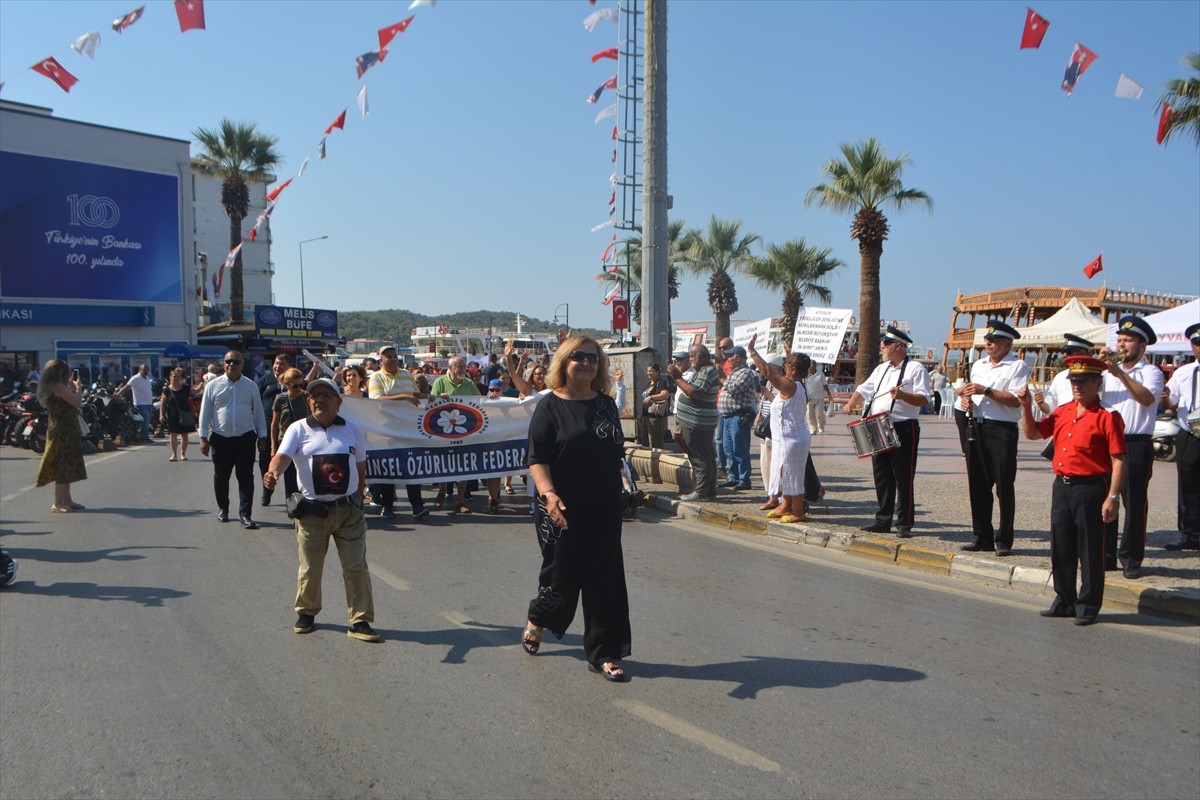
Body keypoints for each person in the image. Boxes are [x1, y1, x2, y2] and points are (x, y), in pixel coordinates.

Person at [521, 335, 631, 682]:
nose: (586, 363)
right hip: (561, 507)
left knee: (604, 577)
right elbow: (537, 459)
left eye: (593, 358)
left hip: (605, 504)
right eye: (578, 357)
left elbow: (614, 453)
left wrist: (624, 482)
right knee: (561, 577)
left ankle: (603, 653)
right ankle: (538, 618)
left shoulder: (606, 405)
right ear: (564, 363)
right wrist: (549, 495)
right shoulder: (549, 406)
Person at [264, 378, 381, 643]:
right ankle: (306, 613)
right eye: (315, 395)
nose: (320, 399)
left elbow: (360, 469)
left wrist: (358, 500)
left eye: (327, 395)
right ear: (308, 402)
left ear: (339, 402)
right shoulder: (298, 430)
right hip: (311, 513)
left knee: (356, 567)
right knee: (310, 567)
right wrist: (272, 472)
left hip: (348, 512)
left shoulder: (353, 429)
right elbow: (282, 458)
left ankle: (360, 620)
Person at [1018, 356, 1126, 626]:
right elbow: (1033, 434)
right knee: (1061, 546)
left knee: (1090, 549)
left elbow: (1119, 459)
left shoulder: (1108, 416)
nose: (1077, 386)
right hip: (1063, 486)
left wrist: (1112, 497)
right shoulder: (1064, 411)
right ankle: (1064, 599)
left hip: (1091, 487)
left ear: (1097, 384)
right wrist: (1026, 407)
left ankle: (1088, 604)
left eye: (1084, 381)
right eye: (1074, 381)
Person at [844, 326, 931, 537]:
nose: (882, 347)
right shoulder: (882, 368)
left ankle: (904, 524)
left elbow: (924, 399)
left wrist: (902, 396)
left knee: (903, 476)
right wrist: (851, 403)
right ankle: (883, 520)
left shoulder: (916, 369)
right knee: (881, 475)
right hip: (879, 424)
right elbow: (864, 389)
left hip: (902, 426)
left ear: (899, 346)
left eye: (886, 344)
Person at [956, 320, 1030, 555]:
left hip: (1002, 429)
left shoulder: (1017, 367)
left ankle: (1004, 539)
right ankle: (982, 536)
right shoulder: (978, 364)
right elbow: (968, 392)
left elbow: (1015, 400)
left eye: (994, 340)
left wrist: (985, 390)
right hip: (976, 425)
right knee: (977, 485)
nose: (989, 343)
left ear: (1007, 344)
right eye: (987, 340)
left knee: (1004, 486)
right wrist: (966, 398)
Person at [1101, 315, 1163, 579]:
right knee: (1104, 498)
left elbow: (1147, 398)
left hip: (1135, 442)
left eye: (1128, 340)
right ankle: (1105, 555)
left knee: (1134, 502)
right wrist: (1098, 366)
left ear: (1141, 345)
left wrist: (1120, 375)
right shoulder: (1107, 371)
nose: (1122, 345)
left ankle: (1131, 558)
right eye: (1120, 339)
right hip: (1107, 441)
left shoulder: (1151, 372)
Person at [198, 350, 269, 530]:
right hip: (221, 437)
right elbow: (205, 412)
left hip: (245, 437)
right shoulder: (213, 386)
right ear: (224, 364)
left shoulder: (251, 386)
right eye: (228, 361)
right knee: (221, 476)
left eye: (235, 362)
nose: (231, 364)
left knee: (246, 477)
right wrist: (203, 437)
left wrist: (262, 435)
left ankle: (245, 514)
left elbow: (259, 412)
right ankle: (223, 509)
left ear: (241, 365)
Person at [747, 337, 810, 523]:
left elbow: (766, 371)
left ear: (793, 370)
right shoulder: (794, 386)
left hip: (793, 439)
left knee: (793, 475)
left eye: (786, 366)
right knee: (783, 473)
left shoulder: (790, 385)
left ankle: (798, 511)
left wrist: (753, 352)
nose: (783, 369)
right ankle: (785, 505)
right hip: (785, 438)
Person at [366, 344, 428, 520]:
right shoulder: (376, 377)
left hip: (408, 428)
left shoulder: (407, 375)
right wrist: (403, 397)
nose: (393, 359)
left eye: (394, 356)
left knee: (412, 467)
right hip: (386, 429)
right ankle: (387, 505)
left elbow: (416, 396)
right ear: (381, 360)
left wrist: (428, 396)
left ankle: (417, 505)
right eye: (389, 356)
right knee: (389, 468)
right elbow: (376, 400)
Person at [1161, 322, 1200, 551]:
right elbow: (1169, 404)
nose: (1199, 348)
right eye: (1196, 343)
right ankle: (1189, 535)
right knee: (1187, 485)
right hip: (1189, 433)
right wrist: (1165, 397)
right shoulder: (1184, 372)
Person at [668, 344, 721, 501]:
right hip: (696, 420)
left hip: (698, 421)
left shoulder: (708, 371)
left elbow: (694, 392)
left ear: (702, 357)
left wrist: (677, 377)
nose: (690, 360)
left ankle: (701, 492)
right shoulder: (703, 372)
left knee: (700, 457)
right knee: (707, 456)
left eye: (692, 356)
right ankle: (709, 491)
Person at [34, 359, 86, 513]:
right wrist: (78, 388)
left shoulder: (54, 386)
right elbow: (76, 402)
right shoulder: (58, 387)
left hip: (61, 428)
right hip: (64, 430)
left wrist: (70, 387)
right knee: (63, 465)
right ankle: (58, 503)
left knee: (68, 463)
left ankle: (67, 499)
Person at [717, 346, 759, 490]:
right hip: (727, 416)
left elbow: (734, 388)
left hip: (738, 415)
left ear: (739, 358)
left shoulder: (746, 373)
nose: (728, 359)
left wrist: (722, 377)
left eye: (731, 356)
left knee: (740, 449)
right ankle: (733, 477)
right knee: (728, 449)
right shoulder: (734, 373)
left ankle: (744, 479)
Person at [257, 354, 291, 507]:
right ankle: (267, 491)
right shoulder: (266, 380)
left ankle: (292, 499)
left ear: (288, 366)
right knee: (265, 462)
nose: (278, 366)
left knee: (291, 467)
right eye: (276, 363)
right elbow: (256, 401)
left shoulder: (293, 381)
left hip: (288, 430)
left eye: (281, 364)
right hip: (266, 428)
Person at [270, 368, 309, 499]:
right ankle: (292, 505)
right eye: (295, 385)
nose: (299, 388)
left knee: (305, 473)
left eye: (301, 384)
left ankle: (306, 504)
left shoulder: (306, 397)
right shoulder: (280, 399)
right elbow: (274, 425)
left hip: (305, 440)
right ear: (286, 384)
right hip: (286, 440)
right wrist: (273, 447)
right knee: (290, 476)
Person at [755, 354, 785, 512]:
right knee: (765, 463)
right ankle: (770, 493)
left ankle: (779, 495)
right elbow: (765, 402)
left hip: (776, 428)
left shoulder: (781, 383)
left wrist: (767, 393)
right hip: (766, 427)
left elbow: (781, 404)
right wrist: (759, 413)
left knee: (776, 463)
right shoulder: (768, 381)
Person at [161, 367, 196, 461]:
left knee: (184, 435)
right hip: (172, 415)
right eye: (174, 376)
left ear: (180, 377)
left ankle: (183, 454)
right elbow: (163, 403)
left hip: (184, 414)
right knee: (173, 435)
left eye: (178, 376)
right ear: (170, 377)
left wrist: (202, 383)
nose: (176, 378)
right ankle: (174, 454)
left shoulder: (186, 388)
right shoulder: (166, 390)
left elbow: (195, 391)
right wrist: (161, 415)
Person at [638, 363, 672, 450]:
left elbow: (665, 394)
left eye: (651, 371)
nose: (648, 373)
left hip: (655, 417)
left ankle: (656, 460)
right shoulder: (650, 383)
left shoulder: (660, 382)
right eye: (647, 371)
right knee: (645, 442)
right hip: (646, 416)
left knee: (655, 443)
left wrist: (651, 397)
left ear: (657, 372)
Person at [669, 351, 694, 454]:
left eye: (680, 360)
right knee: (677, 436)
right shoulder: (680, 373)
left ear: (687, 361)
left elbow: (685, 385)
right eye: (676, 360)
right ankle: (687, 453)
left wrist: (676, 375)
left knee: (685, 436)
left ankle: (690, 454)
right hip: (677, 409)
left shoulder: (691, 373)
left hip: (686, 410)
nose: (677, 362)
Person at [123, 363, 155, 442]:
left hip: (149, 403)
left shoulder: (147, 378)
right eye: (144, 370)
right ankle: (144, 438)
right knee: (145, 421)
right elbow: (126, 387)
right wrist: (117, 394)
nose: (146, 371)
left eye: (147, 369)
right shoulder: (135, 378)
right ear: (140, 370)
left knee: (147, 422)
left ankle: (144, 436)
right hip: (141, 404)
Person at [805, 362, 833, 434]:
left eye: (812, 366)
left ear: (815, 366)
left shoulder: (820, 374)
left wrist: (829, 394)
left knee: (819, 413)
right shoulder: (806, 374)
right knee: (809, 414)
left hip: (819, 397)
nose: (810, 368)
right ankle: (813, 429)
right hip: (809, 398)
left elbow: (825, 385)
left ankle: (821, 426)